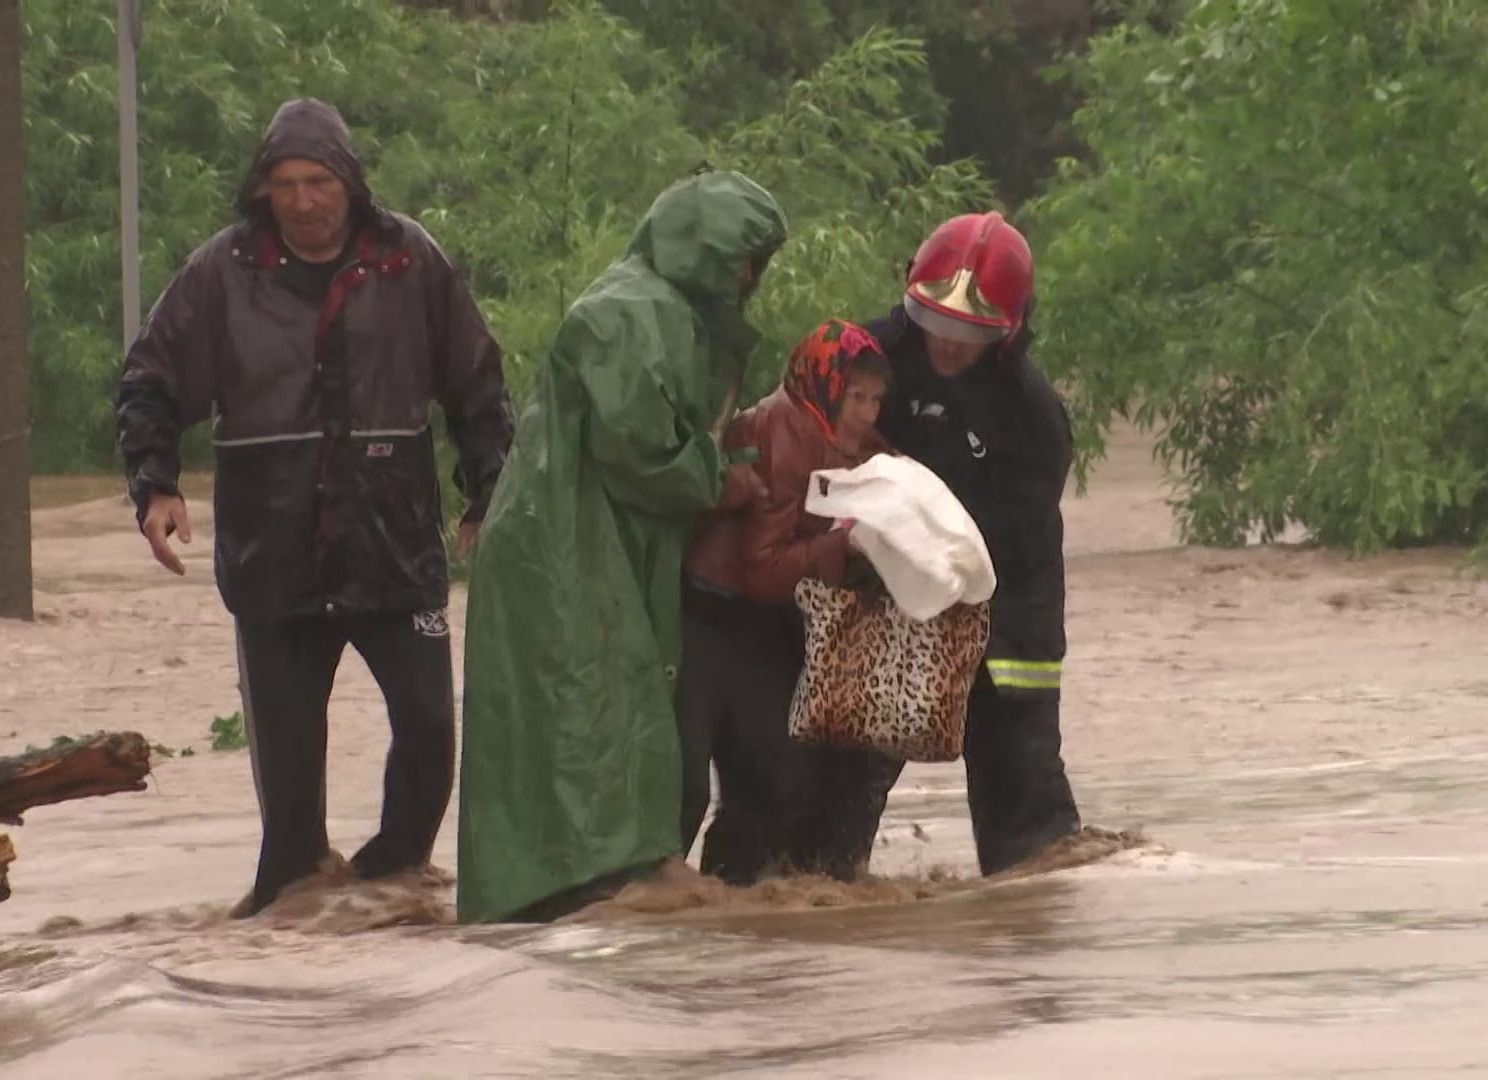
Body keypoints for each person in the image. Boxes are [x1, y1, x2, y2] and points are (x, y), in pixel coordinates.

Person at [114, 98, 514, 917]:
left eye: (319, 181)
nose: (303, 200)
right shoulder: (220, 274)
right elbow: (149, 378)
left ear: (349, 184)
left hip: (394, 545)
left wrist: (488, 494)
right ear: (264, 191)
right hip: (275, 558)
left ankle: (389, 891)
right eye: (285, 184)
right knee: (290, 800)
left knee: (433, 729)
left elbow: (475, 382)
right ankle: (296, 930)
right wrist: (155, 486)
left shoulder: (412, 261)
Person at [455, 169, 788, 924]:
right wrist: (723, 481)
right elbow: (640, 451)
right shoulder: (631, 314)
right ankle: (588, 878)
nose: (746, 277)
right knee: (591, 705)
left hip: (583, 533)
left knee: (593, 705)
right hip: (562, 544)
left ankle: (577, 881)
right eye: (742, 258)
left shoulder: (655, 307)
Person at [846, 210, 1084, 876]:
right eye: (936, 325)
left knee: (1025, 797)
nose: (946, 345)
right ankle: (818, 891)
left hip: (1006, 601)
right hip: (881, 590)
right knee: (843, 766)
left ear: (1006, 333)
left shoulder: (1031, 412)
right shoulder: (865, 359)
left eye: (968, 333)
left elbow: (1023, 525)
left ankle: (1037, 912)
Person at [679, 319, 895, 885]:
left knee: (782, 783)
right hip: (716, 615)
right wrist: (839, 544)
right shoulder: (780, 432)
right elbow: (762, 569)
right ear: (824, 389)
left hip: (771, 622)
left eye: (876, 400)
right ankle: (692, 911)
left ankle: (738, 924)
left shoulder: (847, 438)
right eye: (856, 399)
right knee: (699, 789)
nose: (868, 414)